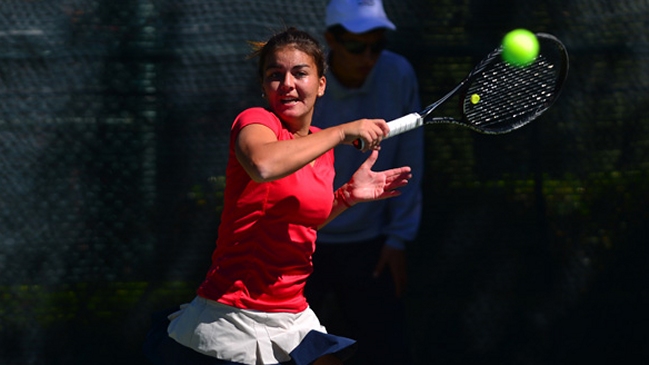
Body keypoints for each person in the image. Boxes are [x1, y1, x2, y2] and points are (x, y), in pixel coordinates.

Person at [143, 27, 413, 365]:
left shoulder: (320, 146)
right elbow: (263, 165)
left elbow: (302, 221)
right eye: (275, 75)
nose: (287, 83)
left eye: (300, 73)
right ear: (263, 87)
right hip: (232, 315)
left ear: (321, 84)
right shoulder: (255, 122)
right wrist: (341, 131)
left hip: (293, 312)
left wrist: (346, 196)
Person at [306, 0, 424, 364]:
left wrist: (397, 238)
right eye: (357, 46)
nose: (368, 56)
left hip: (370, 248)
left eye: (377, 46)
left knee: (385, 351)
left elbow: (410, 159)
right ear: (331, 40)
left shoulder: (398, 74)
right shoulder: (304, 85)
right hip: (302, 244)